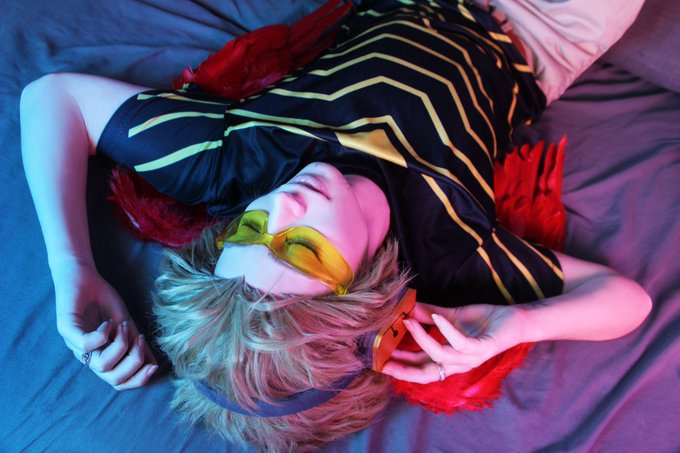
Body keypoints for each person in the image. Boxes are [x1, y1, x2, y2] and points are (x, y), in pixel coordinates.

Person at [21, 0, 650, 451]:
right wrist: (520, 324)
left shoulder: (233, 166)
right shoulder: (448, 253)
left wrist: (72, 266)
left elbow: (54, 97)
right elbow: (626, 301)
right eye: (302, 250)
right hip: (540, 33)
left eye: (250, 232)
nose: (283, 207)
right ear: (364, 303)